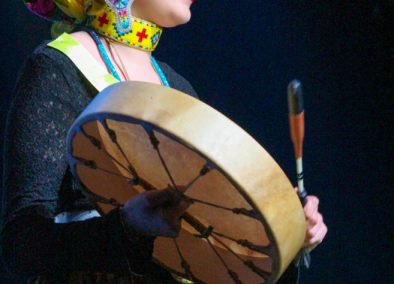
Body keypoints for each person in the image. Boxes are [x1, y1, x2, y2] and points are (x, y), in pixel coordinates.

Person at [1, 0, 327, 283]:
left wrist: (285, 237)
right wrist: (125, 228)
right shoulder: (57, 68)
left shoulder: (178, 88)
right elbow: (21, 248)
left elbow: (218, 261)